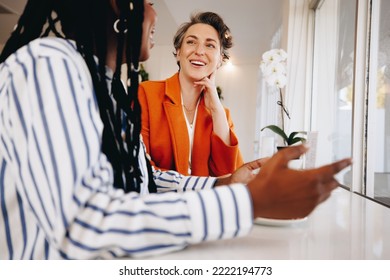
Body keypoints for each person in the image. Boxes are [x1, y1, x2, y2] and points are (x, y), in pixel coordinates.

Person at [0, 0, 351, 260]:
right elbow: (83, 223)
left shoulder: (105, 90)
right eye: (149, 2)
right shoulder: (48, 64)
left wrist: (225, 182)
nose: (154, 13)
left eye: (210, 45)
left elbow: (147, 177)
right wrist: (248, 201)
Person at [138, 12, 244, 176]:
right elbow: (141, 167)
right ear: (179, 52)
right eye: (191, 42)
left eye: (210, 45)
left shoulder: (222, 115)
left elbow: (228, 176)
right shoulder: (146, 93)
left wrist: (216, 110)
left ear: (220, 60)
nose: (199, 51)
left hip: (206, 201)